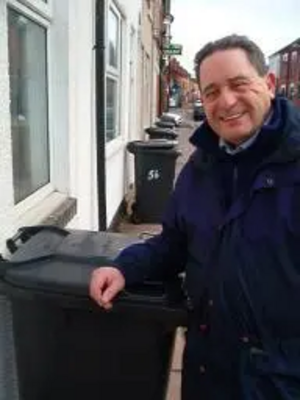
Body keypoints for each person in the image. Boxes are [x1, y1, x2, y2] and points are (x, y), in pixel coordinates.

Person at [89, 34, 300, 399]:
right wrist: (125, 267)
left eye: (239, 84)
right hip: (207, 374)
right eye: (212, 91)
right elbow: (173, 243)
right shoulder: (200, 165)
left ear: (268, 84)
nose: (226, 101)